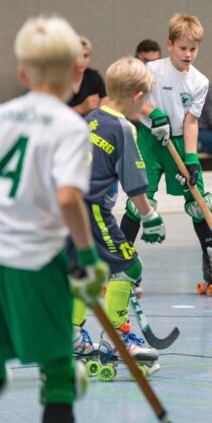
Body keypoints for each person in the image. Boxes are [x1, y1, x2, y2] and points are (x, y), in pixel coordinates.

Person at [0, 15, 106, 423]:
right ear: (74, 72)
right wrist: (88, 259)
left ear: (22, 72)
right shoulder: (69, 126)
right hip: (39, 264)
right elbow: (68, 198)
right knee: (59, 376)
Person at [119, 14, 212, 296]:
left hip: (181, 145)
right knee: (139, 202)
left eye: (193, 48)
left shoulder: (200, 81)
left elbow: (191, 121)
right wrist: (154, 113)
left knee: (199, 203)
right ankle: (121, 263)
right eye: (183, 48)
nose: (188, 54)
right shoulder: (152, 70)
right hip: (149, 142)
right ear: (169, 44)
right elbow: (134, 102)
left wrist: (192, 158)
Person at [70, 57, 166, 378]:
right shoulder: (124, 129)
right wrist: (150, 217)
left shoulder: (92, 118)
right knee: (130, 267)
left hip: (69, 208)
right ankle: (116, 338)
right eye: (146, 99)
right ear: (137, 96)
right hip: (94, 209)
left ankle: (72, 336)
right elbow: (135, 184)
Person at [68, 35, 107, 116]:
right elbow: (52, 114)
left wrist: (103, 104)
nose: (82, 60)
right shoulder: (57, 79)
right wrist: (81, 108)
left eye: (86, 56)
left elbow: (105, 101)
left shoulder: (94, 77)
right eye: (78, 56)